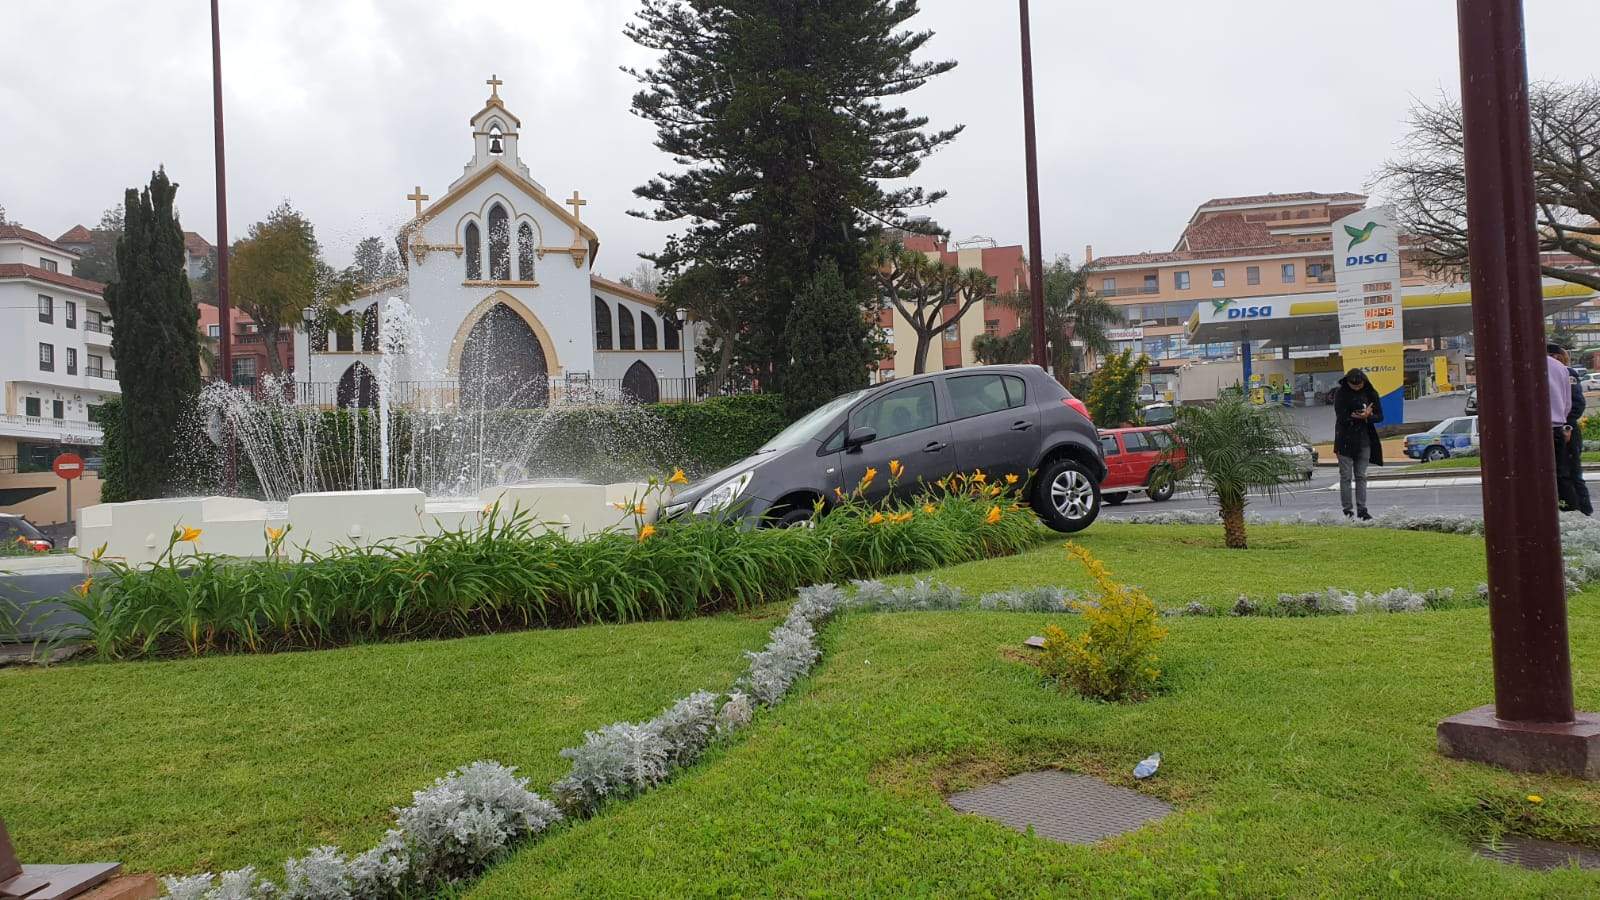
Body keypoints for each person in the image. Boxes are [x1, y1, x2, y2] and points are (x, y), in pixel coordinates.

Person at [1332, 368, 1384, 519]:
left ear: (1364, 381)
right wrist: (1356, 417)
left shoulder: (1370, 393)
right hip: (1345, 440)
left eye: (1359, 385)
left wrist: (1368, 417)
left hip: (1364, 440)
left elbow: (1380, 416)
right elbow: (1341, 417)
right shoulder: (1341, 393)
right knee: (1346, 476)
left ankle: (1362, 509)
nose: (1356, 388)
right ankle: (1347, 510)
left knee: (1361, 476)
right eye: (1353, 385)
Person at [1549, 343, 1591, 515]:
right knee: (1564, 473)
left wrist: (1566, 426)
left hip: (1566, 429)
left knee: (1569, 472)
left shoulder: (1566, 372)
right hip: (1562, 427)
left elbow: (1575, 404)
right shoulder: (1559, 370)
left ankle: (1582, 510)